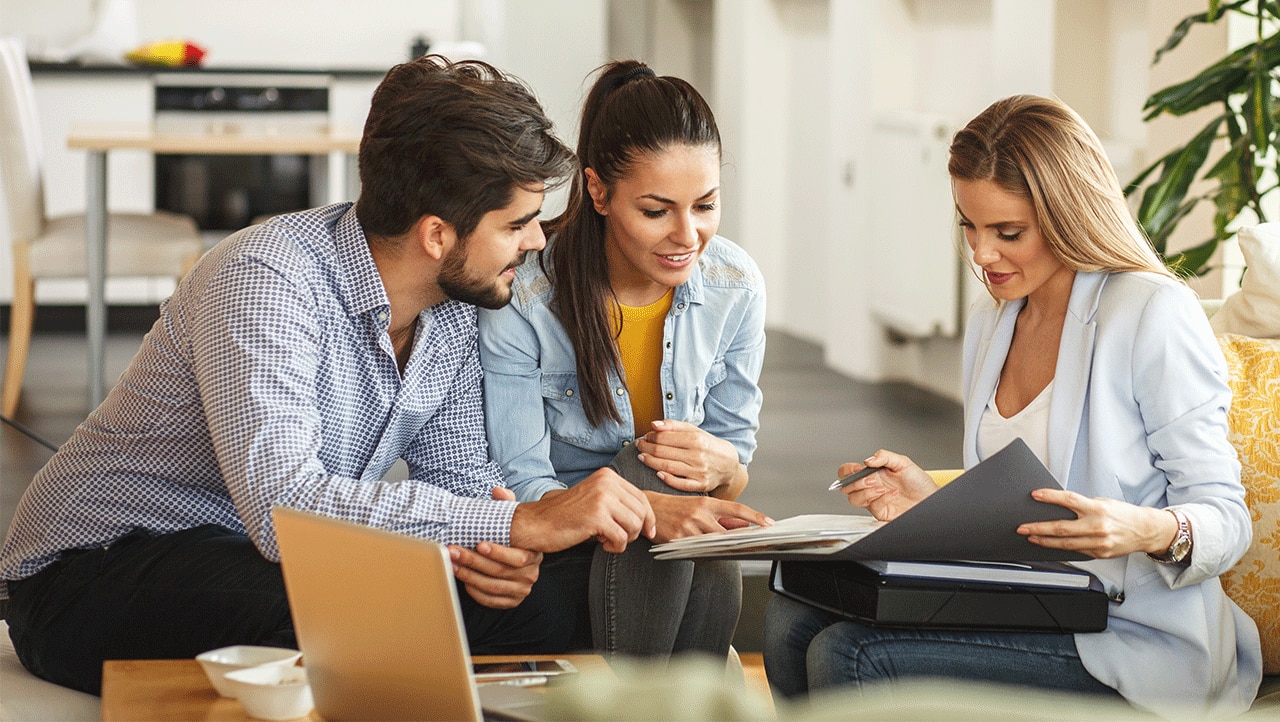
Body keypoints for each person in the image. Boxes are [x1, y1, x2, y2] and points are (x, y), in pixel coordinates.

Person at [0, 55, 659, 695]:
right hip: (92, 571)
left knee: (554, 601)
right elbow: (282, 508)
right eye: (517, 224)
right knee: (347, 604)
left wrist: (498, 554)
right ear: (436, 235)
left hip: (263, 559)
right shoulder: (266, 277)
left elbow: (463, 488)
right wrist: (519, 526)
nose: (538, 241)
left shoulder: (456, 309)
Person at [763, 95, 1262, 717]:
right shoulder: (993, 320)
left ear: (1069, 215)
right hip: (1029, 603)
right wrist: (931, 500)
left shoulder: (1151, 313)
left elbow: (1226, 519)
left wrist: (1145, 529)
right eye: (969, 224)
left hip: (1129, 636)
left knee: (852, 653)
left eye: (1008, 232)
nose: (981, 254)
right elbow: (1021, 500)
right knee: (789, 617)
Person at [477, 60, 771, 660]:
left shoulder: (735, 285)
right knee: (643, 471)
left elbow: (732, 473)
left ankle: (661, 700)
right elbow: (522, 482)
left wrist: (720, 465)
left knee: (686, 498)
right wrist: (649, 508)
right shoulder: (527, 296)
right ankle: (685, 694)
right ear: (598, 191)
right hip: (567, 544)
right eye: (657, 211)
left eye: (706, 206)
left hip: (673, 549)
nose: (688, 235)